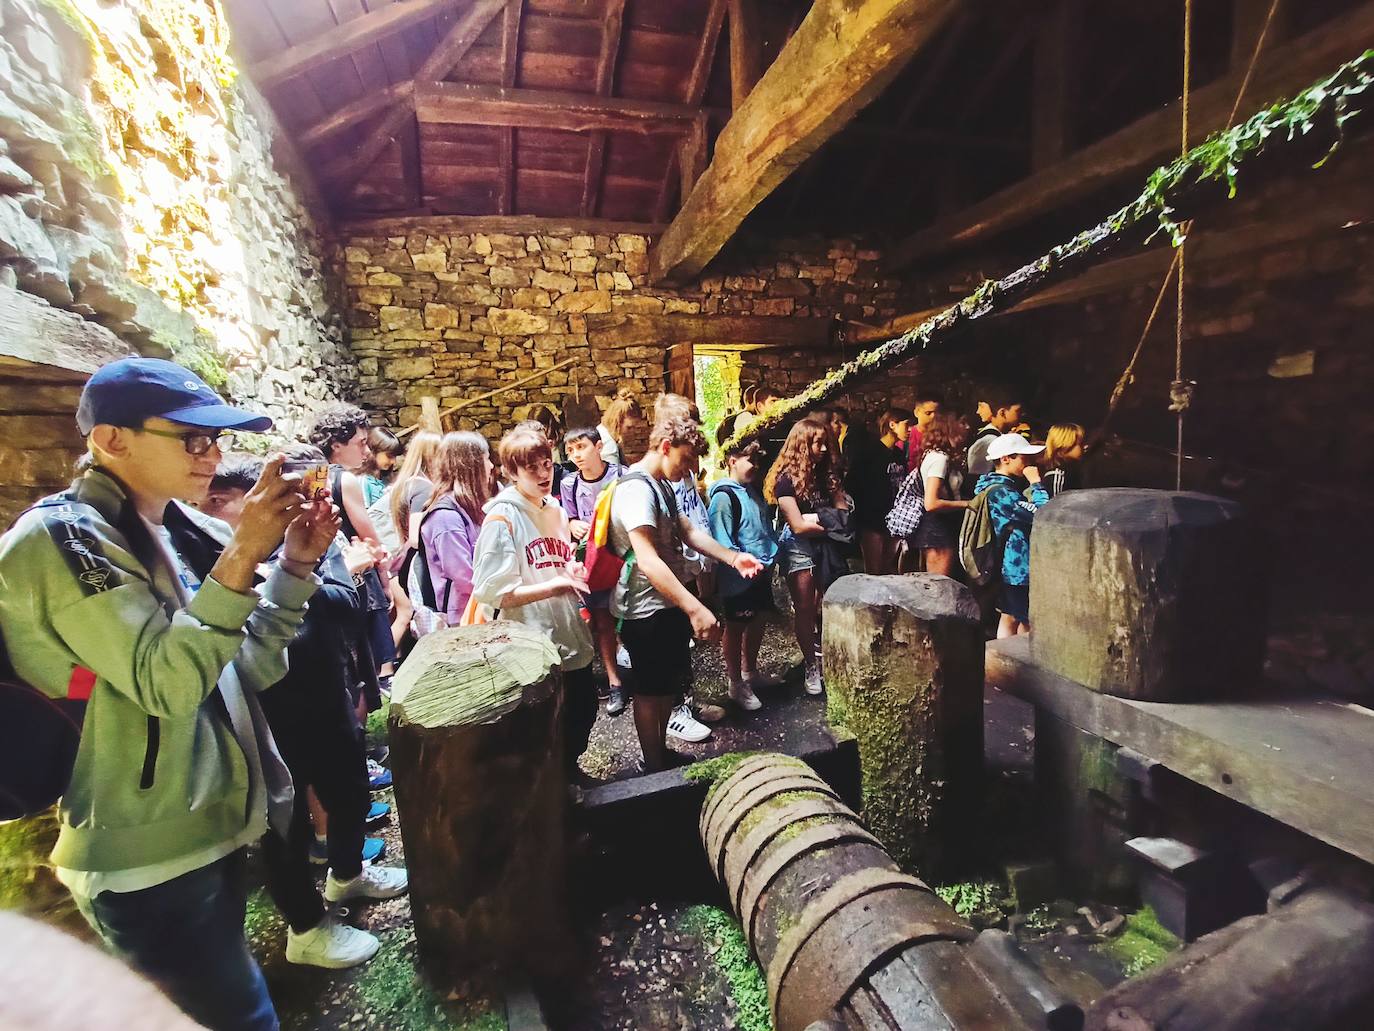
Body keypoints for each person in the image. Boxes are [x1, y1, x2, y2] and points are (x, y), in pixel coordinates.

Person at [0, 357, 337, 1031]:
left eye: (216, 438)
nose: (211, 453)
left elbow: (245, 667)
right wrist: (245, 551)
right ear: (111, 440)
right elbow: (171, 682)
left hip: (203, 831)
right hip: (146, 860)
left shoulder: (170, 527)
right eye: (191, 437)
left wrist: (295, 564)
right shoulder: (64, 537)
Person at [206, 451, 408, 972]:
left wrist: (292, 573)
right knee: (285, 826)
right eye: (217, 503)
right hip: (265, 712)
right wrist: (284, 580)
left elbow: (348, 602)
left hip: (324, 689)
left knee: (351, 790)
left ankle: (347, 872)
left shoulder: (310, 539)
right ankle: (306, 928)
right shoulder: (216, 559)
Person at [609, 411, 765, 771]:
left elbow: (688, 532)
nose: (691, 467)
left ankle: (660, 752)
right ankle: (652, 764)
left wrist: (732, 557)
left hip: (665, 604)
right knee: (650, 690)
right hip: (645, 609)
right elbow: (647, 559)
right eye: (687, 458)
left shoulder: (662, 484)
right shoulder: (636, 489)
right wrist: (694, 607)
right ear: (665, 447)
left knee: (667, 686)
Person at [470, 427, 598, 781]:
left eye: (547, 464)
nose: (544, 474)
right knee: (539, 726)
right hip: (528, 642)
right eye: (532, 469)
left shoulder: (554, 509)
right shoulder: (501, 519)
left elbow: (556, 560)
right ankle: (550, 793)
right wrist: (557, 584)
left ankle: (568, 773)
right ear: (511, 472)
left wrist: (569, 568)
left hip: (566, 631)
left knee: (581, 711)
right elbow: (495, 593)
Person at [308, 405, 395, 698]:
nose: (366, 451)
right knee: (360, 661)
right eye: (360, 443)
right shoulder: (345, 480)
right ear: (336, 445)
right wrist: (386, 580)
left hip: (322, 575)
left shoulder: (312, 476)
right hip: (355, 577)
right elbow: (369, 538)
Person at [765, 417, 850, 696]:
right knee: (804, 607)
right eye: (817, 443)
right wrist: (829, 520)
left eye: (825, 442)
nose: (824, 448)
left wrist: (820, 518)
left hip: (826, 545)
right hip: (798, 547)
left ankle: (830, 657)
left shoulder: (829, 474)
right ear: (802, 444)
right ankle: (812, 666)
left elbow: (844, 514)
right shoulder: (786, 479)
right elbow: (798, 526)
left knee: (829, 602)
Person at [708, 433, 782, 712]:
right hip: (737, 577)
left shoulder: (751, 490)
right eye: (750, 460)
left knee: (759, 618)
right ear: (732, 461)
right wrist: (739, 560)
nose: (755, 466)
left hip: (759, 569)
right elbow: (720, 539)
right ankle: (735, 682)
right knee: (736, 626)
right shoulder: (724, 497)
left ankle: (750, 671)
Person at [559, 426, 628, 715]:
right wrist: (573, 523)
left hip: (624, 558)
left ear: (599, 447)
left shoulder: (623, 475)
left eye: (581, 447)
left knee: (630, 615)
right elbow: (569, 518)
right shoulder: (569, 484)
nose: (576, 455)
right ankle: (615, 683)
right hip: (594, 562)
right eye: (571, 450)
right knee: (602, 622)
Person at [974, 434, 1051, 638]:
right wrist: (1036, 483)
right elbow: (1042, 514)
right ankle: (1019, 665)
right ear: (1006, 458)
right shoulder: (1001, 492)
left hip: (1009, 566)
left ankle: (1001, 662)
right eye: (1023, 458)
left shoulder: (996, 487)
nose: (1028, 462)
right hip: (1017, 567)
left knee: (1009, 616)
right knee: (1026, 620)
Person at [418, 432, 496, 627]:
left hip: (482, 610)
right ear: (471, 465)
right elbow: (464, 577)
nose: (492, 466)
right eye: (487, 459)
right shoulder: (446, 517)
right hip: (464, 618)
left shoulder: (470, 507)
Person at [910, 412, 971, 577]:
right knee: (940, 587)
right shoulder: (939, 458)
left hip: (943, 528)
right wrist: (968, 504)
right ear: (950, 427)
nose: (967, 427)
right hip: (938, 530)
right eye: (962, 422)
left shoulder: (940, 456)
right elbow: (931, 503)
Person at [967, 389, 1025, 478]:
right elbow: (976, 479)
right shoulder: (989, 441)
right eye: (1018, 411)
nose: (1022, 415)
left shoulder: (1000, 436)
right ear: (1002, 412)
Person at [598, 389, 642, 466]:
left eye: (635, 427)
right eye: (629, 427)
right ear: (617, 422)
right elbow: (613, 476)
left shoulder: (601, 431)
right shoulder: (609, 446)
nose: (633, 432)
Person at [361, 427, 403, 506]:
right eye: (389, 456)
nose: (393, 461)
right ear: (373, 452)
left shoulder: (386, 479)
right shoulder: (363, 481)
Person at [1042, 422, 1086, 498]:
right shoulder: (1057, 476)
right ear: (1065, 446)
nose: (1084, 447)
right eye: (1080, 444)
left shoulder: (1079, 471)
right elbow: (1057, 506)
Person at [906, 393, 942, 472]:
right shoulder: (907, 436)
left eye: (936, 413)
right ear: (916, 413)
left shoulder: (943, 436)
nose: (933, 417)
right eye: (928, 413)